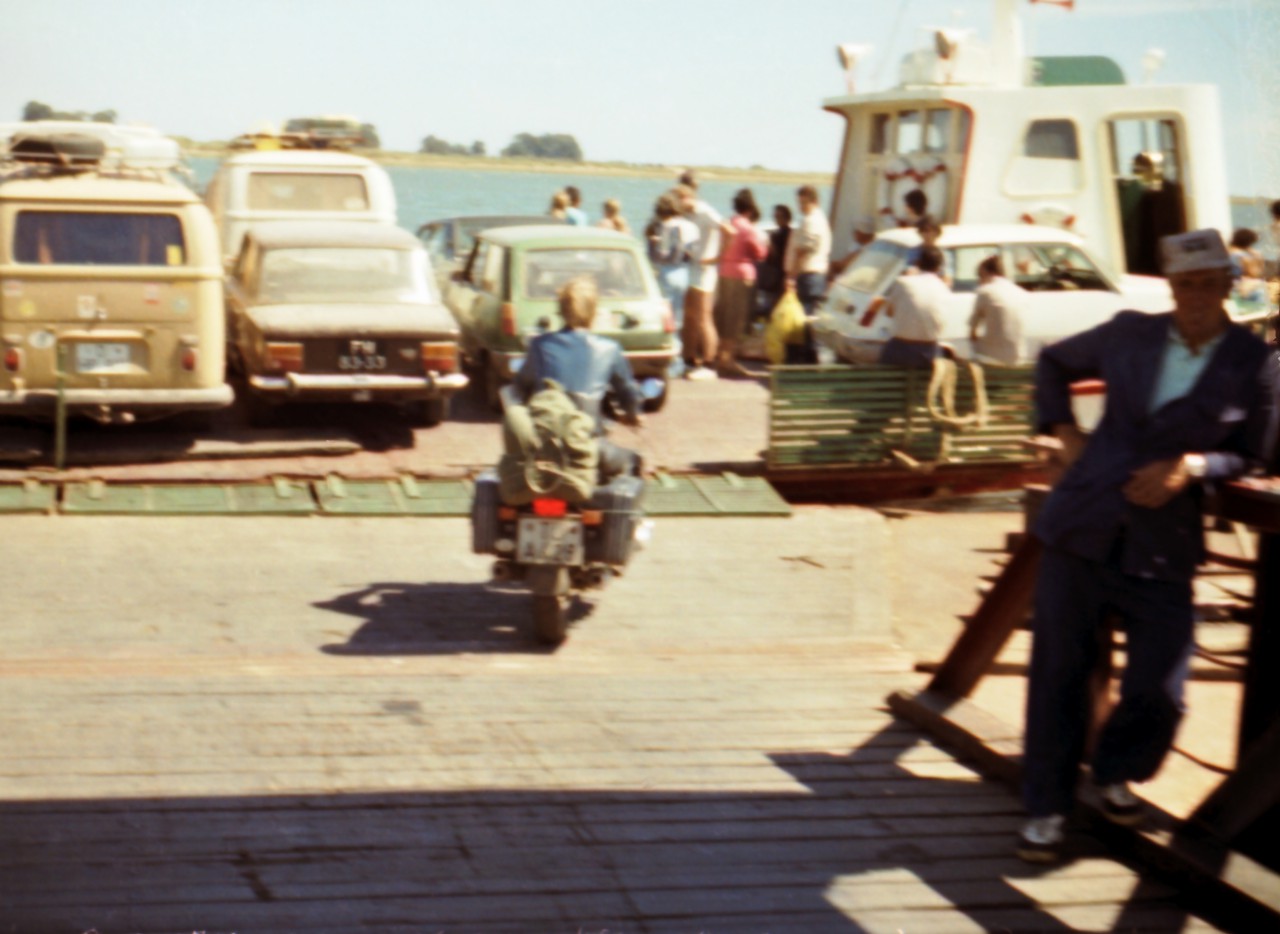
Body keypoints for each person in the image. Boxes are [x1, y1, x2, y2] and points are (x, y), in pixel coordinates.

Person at [1015, 228, 1278, 864]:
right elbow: (1053, 361)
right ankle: (1046, 810)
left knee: (1162, 689)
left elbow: (1258, 453)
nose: (1195, 294)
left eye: (1209, 283)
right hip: (1080, 527)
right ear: (1170, 286)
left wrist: (1193, 466)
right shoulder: (1130, 331)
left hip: (1163, 546)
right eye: (1185, 283)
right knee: (1058, 676)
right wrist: (1061, 432)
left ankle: (1112, 772)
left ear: (1229, 287)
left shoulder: (1256, 360)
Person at [514, 276, 643, 481]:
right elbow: (628, 391)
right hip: (588, 444)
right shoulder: (609, 349)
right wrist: (633, 414)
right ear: (594, 311)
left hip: (544, 445)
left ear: (562, 310)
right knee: (634, 460)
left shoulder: (540, 345)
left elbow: (519, 388)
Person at [674, 180, 728, 381]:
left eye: (679, 199)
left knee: (704, 317)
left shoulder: (705, 211)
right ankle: (689, 359)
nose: (677, 203)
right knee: (689, 316)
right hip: (691, 268)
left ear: (688, 197)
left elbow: (728, 231)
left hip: (705, 270)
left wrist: (718, 257)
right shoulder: (685, 215)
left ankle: (709, 363)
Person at [713, 188, 768, 377]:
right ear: (750, 209)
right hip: (741, 276)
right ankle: (727, 360)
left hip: (724, 272)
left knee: (723, 315)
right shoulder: (747, 228)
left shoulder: (729, 223)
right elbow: (760, 254)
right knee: (735, 319)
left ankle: (719, 354)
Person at [645, 194, 697, 377]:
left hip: (665, 273)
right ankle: (679, 361)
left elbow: (655, 256)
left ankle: (670, 362)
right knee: (678, 319)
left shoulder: (660, 227)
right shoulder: (688, 225)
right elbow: (690, 252)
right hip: (683, 273)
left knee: (666, 320)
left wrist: (653, 245)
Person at [877, 245, 949, 366]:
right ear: (939, 268)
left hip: (902, 348)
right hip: (930, 351)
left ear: (918, 263)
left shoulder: (903, 282)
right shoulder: (943, 287)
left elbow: (889, 313)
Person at [783, 184, 832, 363]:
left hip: (810, 276)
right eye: (799, 203)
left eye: (805, 203)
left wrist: (791, 276)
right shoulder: (814, 219)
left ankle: (805, 363)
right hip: (812, 276)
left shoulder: (812, 220)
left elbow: (803, 251)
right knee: (807, 322)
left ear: (815, 202)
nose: (801, 207)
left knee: (804, 323)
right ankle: (808, 361)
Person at [968, 255, 1028, 365]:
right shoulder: (1020, 292)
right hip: (1019, 356)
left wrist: (974, 337)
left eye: (980, 275)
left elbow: (973, 329)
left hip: (993, 359)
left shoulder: (985, 291)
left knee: (971, 352)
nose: (979, 280)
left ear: (986, 272)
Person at [755, 204, 793, 319]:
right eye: (775, 216)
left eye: (779, 216)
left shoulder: (778, 235)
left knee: (771, 303)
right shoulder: (790, 233)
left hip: (775, 272)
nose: (776, 219)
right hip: (781, 272)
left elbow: (772, 254)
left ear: (786, 218)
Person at [905, 216, 954, 285]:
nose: (927, 235)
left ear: (937, 232)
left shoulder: (944, 254)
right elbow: (909, 274)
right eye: (924, 231)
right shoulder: (913, 252)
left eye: (930, 231)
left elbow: (948, 279)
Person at [828, 215, 876, 281]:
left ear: (863, 233)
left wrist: (831, 265)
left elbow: (843, 265)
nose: (854, 233)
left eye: (857, 231)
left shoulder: (869, 248)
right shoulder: (858, 245)